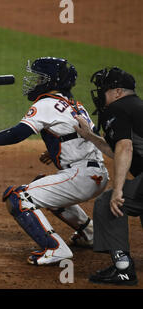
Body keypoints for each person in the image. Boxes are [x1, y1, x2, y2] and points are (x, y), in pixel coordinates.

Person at [0, 57, 109, 265]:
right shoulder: (74, 104)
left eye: (39, 78)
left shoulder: (47, 103)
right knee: (40, 183)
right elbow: (80, 136)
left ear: (52, 81)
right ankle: (90, 233)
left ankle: (54, 248)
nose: (35, 82)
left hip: (81, 176)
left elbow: (18, 133)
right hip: (95, 174)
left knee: (18, 197)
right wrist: (56, 149)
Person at [74, 67, 142, 285]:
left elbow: (125, 148)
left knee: (109, 203)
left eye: (104, 90)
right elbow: (118, 150)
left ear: (118, 92)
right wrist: (90, 137)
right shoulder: (135, 107)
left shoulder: (119, 108)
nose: (100, 94)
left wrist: (118, 190)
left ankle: (122, 269)